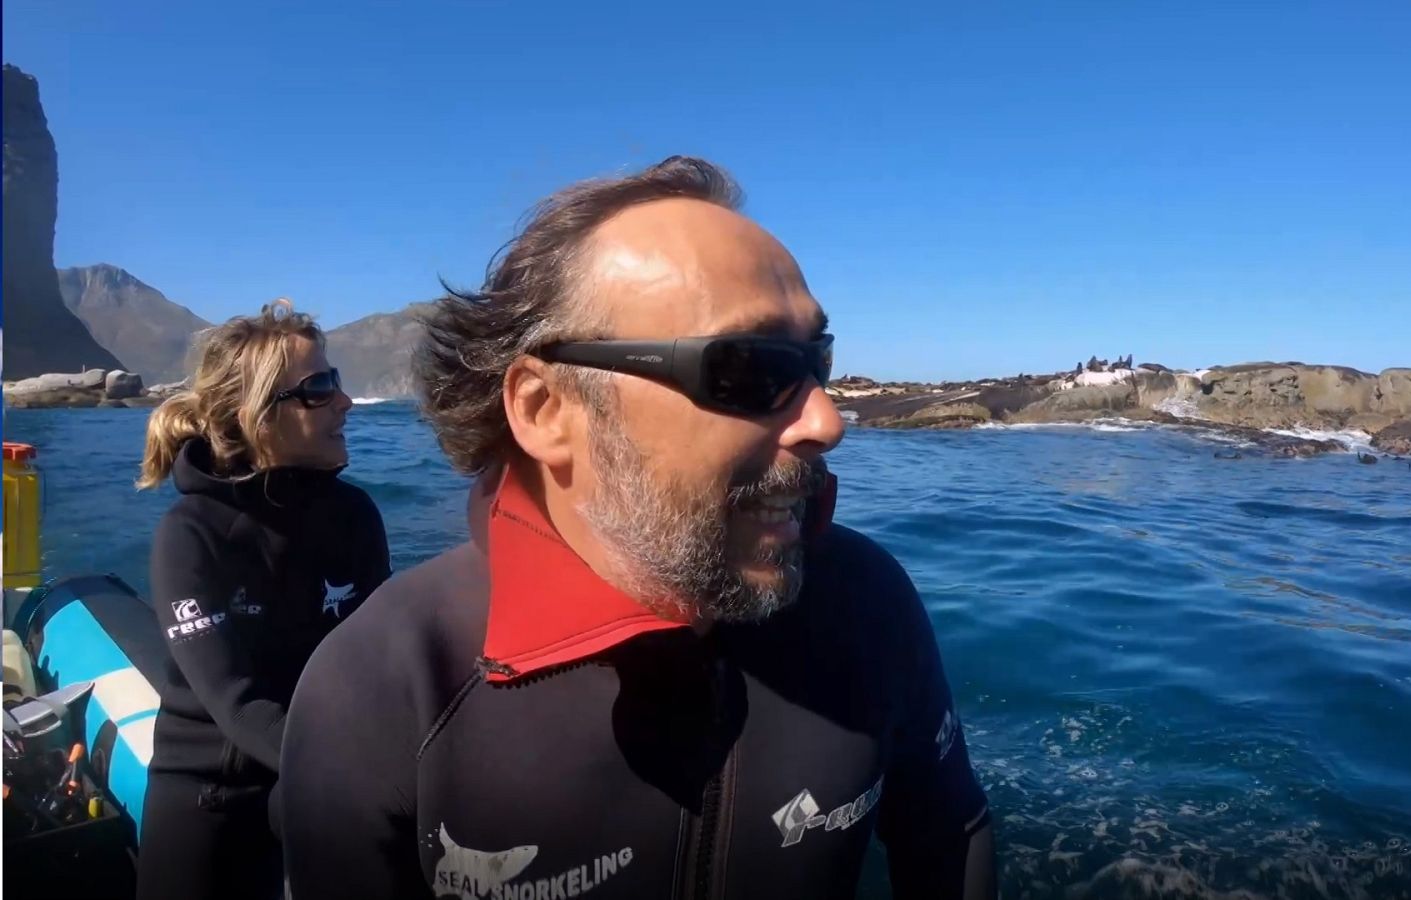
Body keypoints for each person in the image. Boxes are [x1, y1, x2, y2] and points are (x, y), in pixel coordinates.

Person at [278, 157, 995, 899]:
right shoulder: (383, 685)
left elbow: (950, 835)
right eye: (749, 368)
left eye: (817, 361)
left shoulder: (867, 602)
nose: (828, 421)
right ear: (547, 410)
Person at [134, 299, 391, 900]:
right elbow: (239, 704)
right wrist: (357, 773)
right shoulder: (192, 533)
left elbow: (382, 662)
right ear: (258, 414)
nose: (345, 402)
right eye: (320, 388)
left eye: (339, 383)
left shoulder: (355, 516)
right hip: (210, 794)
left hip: (318, 783)